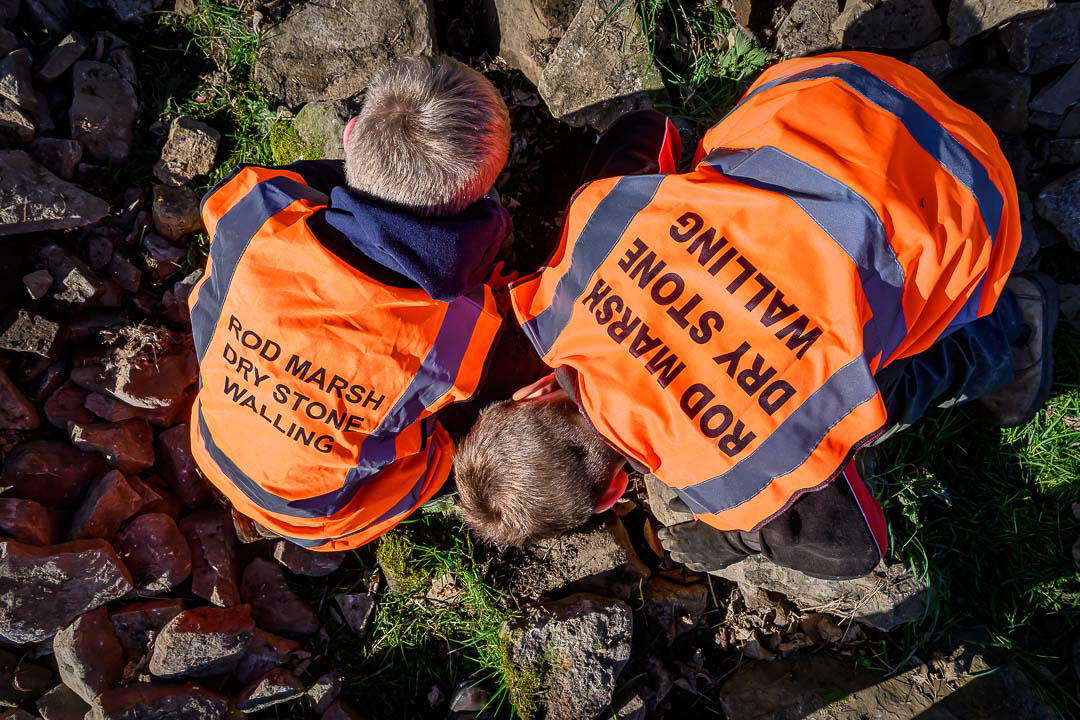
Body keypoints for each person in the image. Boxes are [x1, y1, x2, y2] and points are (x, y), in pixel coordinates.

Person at [453, 51, 1059, 580]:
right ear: (530, 393)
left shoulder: (732, 478)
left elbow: (857, 549)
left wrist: (744, 536)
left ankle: (1009, 335)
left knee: (857, 407)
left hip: (973, 196)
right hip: (843, 86)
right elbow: (646, 131)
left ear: (614, 490)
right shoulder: (568, 282)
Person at [188, 55, 519, 551]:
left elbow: (230, 199)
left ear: (349, 136)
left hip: (211, 441)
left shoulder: (254, 211)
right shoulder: (461, 328)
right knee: (439, 450)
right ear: (481, 192)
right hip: (320, 519)